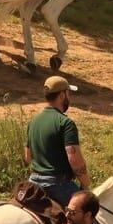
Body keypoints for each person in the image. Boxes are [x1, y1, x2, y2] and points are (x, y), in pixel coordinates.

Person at [25, 75, 88, 210]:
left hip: (33, 182)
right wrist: (85, 183)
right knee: (89, 215)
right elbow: (74, 158)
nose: (69, 97)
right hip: (58, 186)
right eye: (68, 93)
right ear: (62, 95)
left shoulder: (33, 121)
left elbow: (28, 157)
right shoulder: (65, 123)